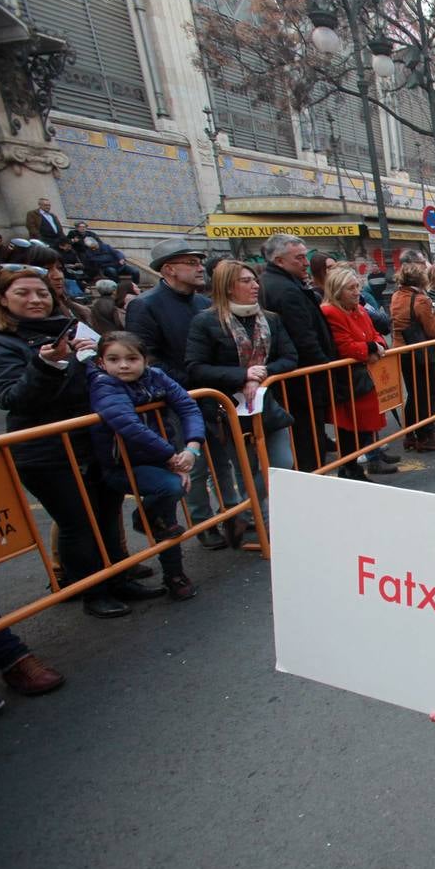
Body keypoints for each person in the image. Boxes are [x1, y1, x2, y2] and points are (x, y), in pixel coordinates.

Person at [0, 267, 162, 618]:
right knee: (77, 523)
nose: (35, 300)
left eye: (41, 293)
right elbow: (13, 398)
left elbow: (101, 382)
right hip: (46, 453)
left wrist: (99, 362)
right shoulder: (3, 343)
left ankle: (118, 576)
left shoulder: (69, 330)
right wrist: (47, 364)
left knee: (105, 514)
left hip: (92, 443)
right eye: (23, 293)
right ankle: (93, 590)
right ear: (2, 299)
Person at [127, 238, 231, 551]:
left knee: (223, 460)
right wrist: (187, 382)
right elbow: (145, 357)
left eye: (200, 262)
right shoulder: (144, 305)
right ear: (169, 269)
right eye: (192, 263)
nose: (200, 268)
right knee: (194, 467)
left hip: (211, 395)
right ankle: (202, 521)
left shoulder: (203, 304)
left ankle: (233, 516)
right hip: (175, 402)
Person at [186, 260, 298, 541]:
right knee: (246, 470)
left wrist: (261, 373)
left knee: (281, 463)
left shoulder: (270, 319)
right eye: (246, 281)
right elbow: (196, 367)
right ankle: (255, 520)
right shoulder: (206, 321)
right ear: (227, 287)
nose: (255, 285)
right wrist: (241, 375)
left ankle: (261, 516)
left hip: (266, 406)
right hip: (228, 411)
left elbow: (290, 357)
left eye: (254, 280)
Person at [88, 331, 204, 600]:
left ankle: (174, 575)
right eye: (114, 359)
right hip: (123, 465)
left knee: (168, 520)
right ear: (102, 362)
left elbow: (188, 407)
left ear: (145, 360)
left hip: (160, 459)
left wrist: (192, 447)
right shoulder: (104, 385)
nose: (124, 365)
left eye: (132, 358)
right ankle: (147, 518)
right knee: (170, 490)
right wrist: (173, 459)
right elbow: (129, 426)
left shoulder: (155, 377)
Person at [261, 233, 335, 471]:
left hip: (297, 377)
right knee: (307, 441)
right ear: (279, 260)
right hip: (302, 379)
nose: (305, 262)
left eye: (306, 257)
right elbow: (304, 338)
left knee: (307, 439)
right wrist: (325, 367)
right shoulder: (285, 290)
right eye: (299, 258)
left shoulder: (282, 285)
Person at [321, 267, 395, 479]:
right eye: (350, 288)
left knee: (364, 427)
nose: (356, 292)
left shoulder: (359, 310)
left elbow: (376, 335)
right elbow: (346, 347)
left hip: (364, 377)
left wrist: (374, 346)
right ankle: (349, 468)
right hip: (348, 381)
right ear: (337, 290)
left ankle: (355, 465)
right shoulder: (331, 312)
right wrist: (371, 348)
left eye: (357, 287)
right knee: (349, 429)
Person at [390, 262, 435, 452]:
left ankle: (412, 434)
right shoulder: (421, 300)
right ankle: (424, 434)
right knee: (425, 393)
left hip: (403, 351)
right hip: (420, 351)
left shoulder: (397, 296)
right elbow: (432, 329)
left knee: (414, 394)